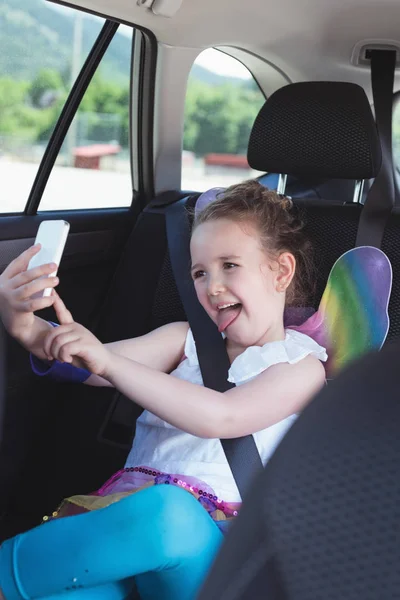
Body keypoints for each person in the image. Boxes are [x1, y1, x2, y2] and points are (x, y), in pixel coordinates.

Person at [0, 180, 327, 600]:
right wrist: (25, 327)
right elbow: (90, 363)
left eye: (230, 265)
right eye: (199, 272)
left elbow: (221, 417)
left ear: (281, 271)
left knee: (170, 512)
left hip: (219, 557)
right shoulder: (184, 340)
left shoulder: (301, 365)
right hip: (133, 534)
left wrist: (109, 362)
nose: (212, 286)